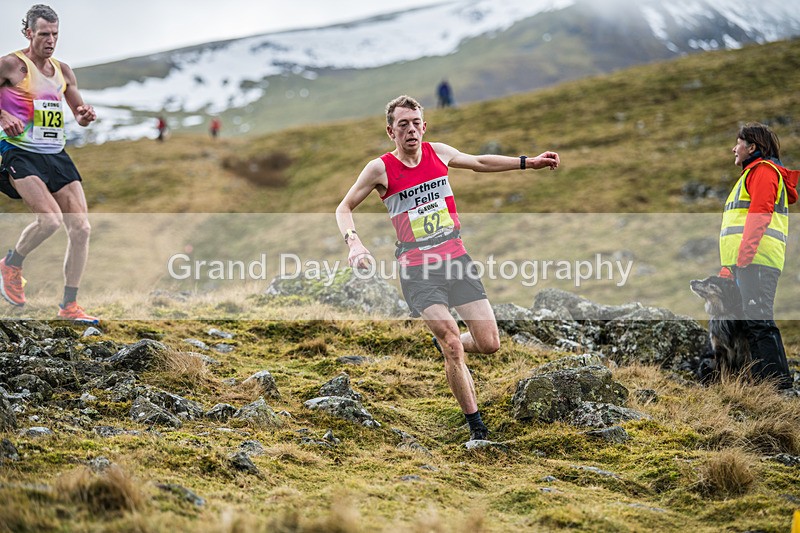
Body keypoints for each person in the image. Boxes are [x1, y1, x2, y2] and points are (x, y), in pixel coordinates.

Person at [336, 95, 560, 441]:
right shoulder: (380, 169)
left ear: (424, 126)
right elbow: (344, 207)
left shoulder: (438, 152)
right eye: (402, 125)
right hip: (417, 268)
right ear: (390, 131)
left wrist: (527, 163)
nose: (411, 130)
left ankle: (447, 343)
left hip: (456, 259)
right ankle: (477, 428)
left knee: (489, 343)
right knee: (453, 344)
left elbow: (480, 162)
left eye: (415, 123)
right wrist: (354, 243)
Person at [0, 4, 98, 324]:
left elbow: (79, 114)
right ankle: (11, 264)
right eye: (44, 34)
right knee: (50, 220)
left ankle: (69, 306)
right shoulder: (11, 66)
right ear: (28, 33)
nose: (51, 40)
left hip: (55, 154)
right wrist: (3, 116)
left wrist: (83, 115)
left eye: (55, 34)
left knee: (81, 228)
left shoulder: (64, 71)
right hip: (19, 152)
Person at [718, 122, 798, 389]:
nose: (733, 148)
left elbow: (759, 215)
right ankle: (766, 387)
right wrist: (730, 266)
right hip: (747, 262)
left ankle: (779, 388)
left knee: (760, 321)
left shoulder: (763, 172)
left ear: (752, 147)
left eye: (738, 143)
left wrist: (745, 256)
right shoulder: (751, 174)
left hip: (756, 260)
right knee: (753, 322)